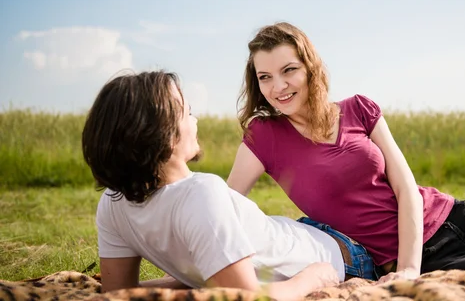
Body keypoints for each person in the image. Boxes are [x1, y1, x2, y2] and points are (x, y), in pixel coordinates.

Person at [227, 21, 465, 286]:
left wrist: (408, 266)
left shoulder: (359, 108)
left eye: (288, 70)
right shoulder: (264, 136)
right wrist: (410, 270)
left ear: (310, 68)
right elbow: (222, 210)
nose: (278, 87)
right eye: (265, 77)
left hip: (455, 216)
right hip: (431, 261)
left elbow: (405, 186)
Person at [81, 70, 379, 300]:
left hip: (331, 245)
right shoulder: (201, 194)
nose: (195, 121)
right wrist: (313, 278)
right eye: (187, 113)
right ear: (165, 136)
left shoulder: (113, 202)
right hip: (340, 261)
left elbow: (118, 293)